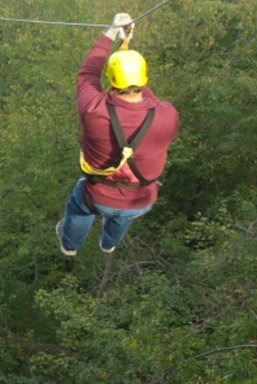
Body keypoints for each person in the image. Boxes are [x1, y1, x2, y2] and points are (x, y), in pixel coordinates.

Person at [56, 13, 179, 256]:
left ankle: (70, 245)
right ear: (143, 80)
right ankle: (108, 244)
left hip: (97, 194)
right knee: (122, 215)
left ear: (111, 81)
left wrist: (112, 32)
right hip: (140, 200)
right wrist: (127, 50)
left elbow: (88, 74)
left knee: (79, 207)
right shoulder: (168, 115)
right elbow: (149, 100)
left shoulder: (94, 109)